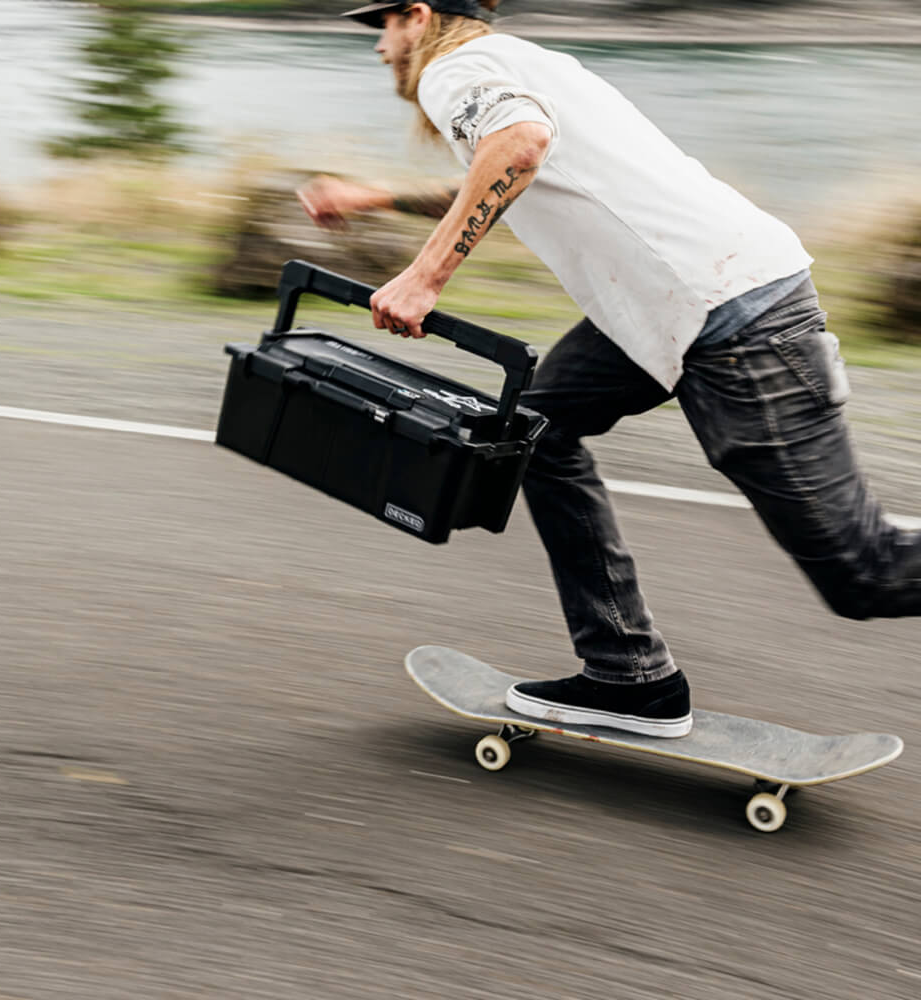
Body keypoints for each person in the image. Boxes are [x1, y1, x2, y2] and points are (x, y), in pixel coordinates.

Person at [298, 0, 921, 738]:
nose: (380, 49)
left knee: (864, 573)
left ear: (418, 15)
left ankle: (629, 673)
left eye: (383, 27)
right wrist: (376, 197)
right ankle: (629, 675)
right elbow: (509, 171)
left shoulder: (452, 68)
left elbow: (519, 147)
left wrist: (424, 277)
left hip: (731, 318)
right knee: (535, 432)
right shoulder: (523, 62)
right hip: (674, 303)